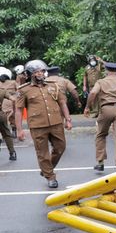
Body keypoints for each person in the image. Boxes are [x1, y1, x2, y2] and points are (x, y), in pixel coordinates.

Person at [15, 59, 72, 188]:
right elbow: (18, 110)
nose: (40, 74)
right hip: (37, 126)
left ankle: (46, 169)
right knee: (42, 153)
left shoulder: (53, 85)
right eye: (36, 72)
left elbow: (62, 103)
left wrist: (68, 120)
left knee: (60, 147)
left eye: (42, 71)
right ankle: (50, 176)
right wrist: (19, 130)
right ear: (29, 74)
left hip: (56, 123)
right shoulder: (23, 90)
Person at [85, 61, 116, 172]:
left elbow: (93, 93)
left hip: (105, 110)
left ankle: (100, 162)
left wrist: (87, 107)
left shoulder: (101, 82)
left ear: (107, 71)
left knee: (100, 134)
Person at [0, 67, 17, 160]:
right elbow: (13, 98)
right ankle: (12, 153)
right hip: (1, 115)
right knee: (6, 134)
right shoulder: (3, 91)